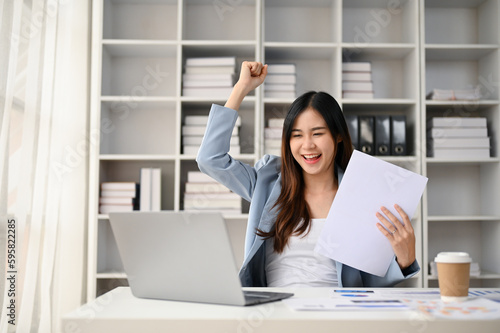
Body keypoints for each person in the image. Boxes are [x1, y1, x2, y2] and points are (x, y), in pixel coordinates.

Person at [196, 61, 420, 288]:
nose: (307, 145)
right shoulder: (267, 183)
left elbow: (370, 282)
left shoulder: (361, 194)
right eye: (297, 135)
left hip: (336, 312)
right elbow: (210, 159)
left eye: (317, 133)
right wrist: (242, 87)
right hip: (275, 312)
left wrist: (405, 259)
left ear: (338, 136)